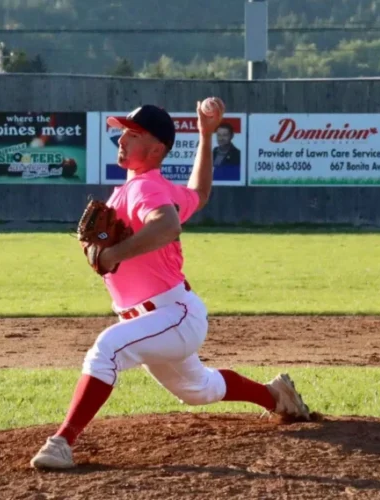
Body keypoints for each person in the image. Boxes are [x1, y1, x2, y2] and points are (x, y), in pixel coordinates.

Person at [29, 99, 311, 470]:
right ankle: (276, 396)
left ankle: (62, 441)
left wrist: (114, 255)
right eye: (122, 132)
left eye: (133, 134)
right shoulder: (145, 188)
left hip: (172, 314)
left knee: (107, 349)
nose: (122, 139)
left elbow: (167, 226)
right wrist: (206, 137)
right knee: (200, 390)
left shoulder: (147, 189)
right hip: (159, 318)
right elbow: (201, 193)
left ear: (156, 149)